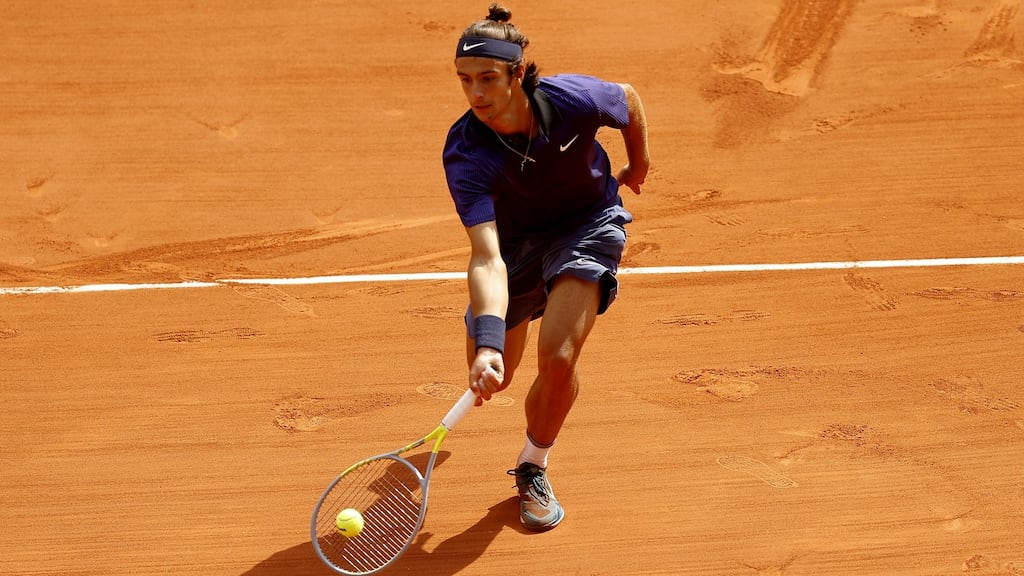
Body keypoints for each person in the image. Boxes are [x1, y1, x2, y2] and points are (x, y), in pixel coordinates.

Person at [443, 3, 649, 532]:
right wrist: (488, 342)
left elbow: (626, 98)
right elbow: (486, 256)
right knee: (502, 376)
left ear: (517, 73)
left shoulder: (572, 100)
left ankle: (533, 463)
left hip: (587, 224)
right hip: (515, 248)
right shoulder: (467, 151)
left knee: (557, 357)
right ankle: (493, 345)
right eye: (465, 81)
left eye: (488, 78)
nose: (476, 94)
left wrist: (639, 161)